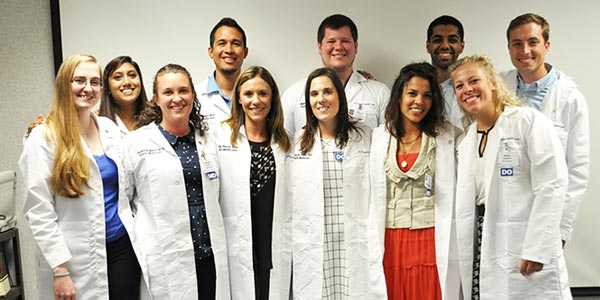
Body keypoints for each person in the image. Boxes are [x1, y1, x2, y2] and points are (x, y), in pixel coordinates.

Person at [19, 54, 141, 300]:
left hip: (121, 250)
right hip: (73, 257)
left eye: (95, 82)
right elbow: (38, 209)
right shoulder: (44, 137)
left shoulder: (108, 128)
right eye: (80, 81)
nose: (88, 88)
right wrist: (60, 270)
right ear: (65, 84)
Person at [451, 54, 571, 299]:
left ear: (493, 83)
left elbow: (552, 184)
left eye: (474, 80)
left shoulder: (528, 122)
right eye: (459, 86)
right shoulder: (466, 141)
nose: (467, 90)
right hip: (482, 242)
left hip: (523, 239)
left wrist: (538, 248)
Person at [122, 64, 230, 299]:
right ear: (156, 99)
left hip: (208, 253)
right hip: (165, 256)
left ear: (193, 95)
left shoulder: (208, 139)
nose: (177, 98)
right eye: (168, 92)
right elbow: (124, 201)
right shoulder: (136, 143)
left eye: (183, 91)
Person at [289, 67, 386, 299]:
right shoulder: (297, 142)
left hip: (355, 240)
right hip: (316, 243)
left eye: (327, 92)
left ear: (339, 97)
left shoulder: (367, 136)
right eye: (314, 94)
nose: (320, 99)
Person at [370, 62, 460, 300]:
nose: (419, 102)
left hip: (430, 239)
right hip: (391, 241)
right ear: (398, 95)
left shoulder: (448, 136)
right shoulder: (379, 138)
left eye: (427, 95)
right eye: (412, 93)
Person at [501, 13, 589, 247]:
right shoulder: (497, 88)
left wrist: (560, 229)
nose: (525, 51)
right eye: (516, 44)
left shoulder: (570, 97)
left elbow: (577, 171)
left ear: (546, 45)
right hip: (502, 215)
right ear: (509, 48)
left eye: (533, 42)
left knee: (541, 280)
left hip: (547, 215)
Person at [215, 66, 292, 300]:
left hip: (272, 239)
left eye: (263, 94)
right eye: (248, 94)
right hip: (238, 240)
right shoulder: (220, 137)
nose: (255, 101)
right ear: (238, 98)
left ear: (272, 98)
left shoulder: (285, 142)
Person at [282, 14, 390, 134]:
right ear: (319, 47)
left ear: (355, 46)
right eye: (331, 41)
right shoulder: (294, 94)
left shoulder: (379, 93)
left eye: (345, 41)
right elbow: (282, 143)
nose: (338, 47)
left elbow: (389, 143)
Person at [199, 17, 249, 126]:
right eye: (222, 43)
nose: (229, 50)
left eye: (236, 43)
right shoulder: (195, 97)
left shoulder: (257, 98)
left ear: (245, 52)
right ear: (211, 51)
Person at [426, 15, 465, 130]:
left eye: (452, 40)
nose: (445, 46)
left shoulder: (472, 88)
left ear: (461, 46)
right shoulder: (415, 84)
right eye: (438, 40)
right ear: (428, 46)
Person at [98, 55, 149, 135]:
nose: (127, 82)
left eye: (132, 75)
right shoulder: (96, 121)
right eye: (118, 77)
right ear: (107, 87)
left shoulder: (157, 118)